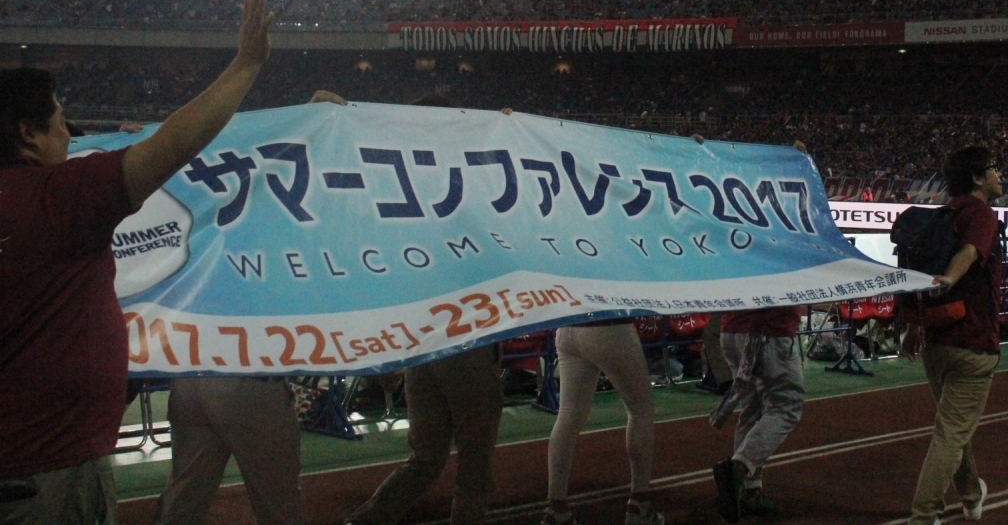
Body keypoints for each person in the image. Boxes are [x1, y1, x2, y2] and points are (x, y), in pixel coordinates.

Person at [0, 0, 273, 525]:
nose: (68, 134)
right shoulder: (54, 199)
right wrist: (246, 64)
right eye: (60, 120)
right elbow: (171, 147)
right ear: (28, 135)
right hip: (50, 472)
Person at [154, 90, 348, 525]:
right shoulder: (267, 222)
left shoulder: (198, 213)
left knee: (184, 497)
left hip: (190, 374)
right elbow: (282, 174)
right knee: (277, 502)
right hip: (248, 374)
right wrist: (311, 120)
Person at [345, 94, 507, 525]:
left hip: (423, 346)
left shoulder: (401, 194)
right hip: (466, 341)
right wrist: (504, 139)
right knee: (475, 461)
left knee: (425, 459)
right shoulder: (464, 190)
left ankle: (364, 521)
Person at [901, 145, 1003, 525]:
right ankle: (923, 515)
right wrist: (950, 278)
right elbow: (970, 252)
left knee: (954, 428)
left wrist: (913, 326)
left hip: (936, 341)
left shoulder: (942, 216)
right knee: (950, 434)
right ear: (977, 178)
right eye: (993, 168)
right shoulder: (980, 214)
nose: (999, 175)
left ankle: (972, 496)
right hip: (973, 341)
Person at [543, 319, 662, 525]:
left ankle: (556, 507)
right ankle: (640, 504)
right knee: (641, 410)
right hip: (609, 325)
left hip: (568, 328)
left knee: (568, 417)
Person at [710, 305, 804, 522]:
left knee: (751, 410)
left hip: (732, 329)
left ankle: (749, 493)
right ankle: (739, 468)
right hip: (768, 331)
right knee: (786, 407)